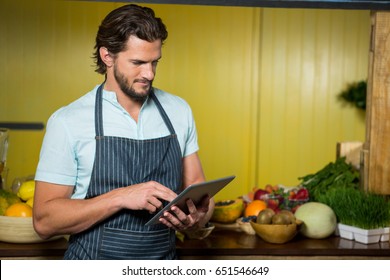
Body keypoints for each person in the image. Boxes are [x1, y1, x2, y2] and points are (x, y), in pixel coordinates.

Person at [33, 4, 214, 260]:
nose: (148, 74)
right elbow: (44, 221)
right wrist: (121, 197)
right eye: (138, 63)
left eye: (154, 62)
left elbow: (199, 189)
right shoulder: (68, 121)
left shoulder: (178, 111)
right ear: (107, 56)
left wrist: (198, 216)